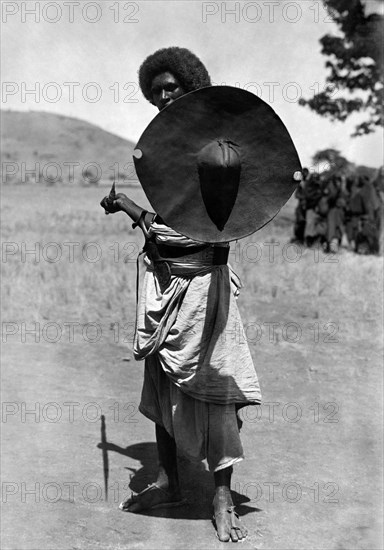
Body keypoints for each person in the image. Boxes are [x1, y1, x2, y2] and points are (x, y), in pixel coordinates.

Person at [100, 47, 261, 543]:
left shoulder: (219, 146)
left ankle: (220, 498)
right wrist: (134, 208)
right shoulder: (168, 148)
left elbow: (202, 230)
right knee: (163, 382)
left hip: (203, 290)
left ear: (192, 85)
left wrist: (128, 207)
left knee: (212, 388)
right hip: (167, 287)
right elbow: (169, 223)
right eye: (157, 90)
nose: (164, 96)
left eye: (172, 87)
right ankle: (170, 481)